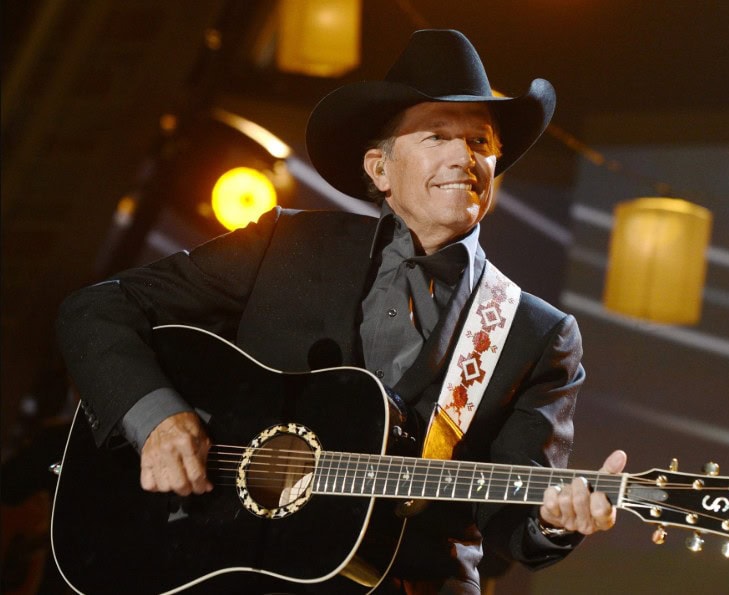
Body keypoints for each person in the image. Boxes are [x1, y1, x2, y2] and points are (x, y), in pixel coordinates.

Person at [56, 29, 626, 594]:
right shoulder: (285, 244)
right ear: (379, 170)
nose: (464, 157)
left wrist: (555, 521)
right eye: (437, 136)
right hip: (221, 563)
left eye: (480, 141)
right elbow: (97, 308)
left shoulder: (536, 332)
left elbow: (514, 522)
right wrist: (157, 420)